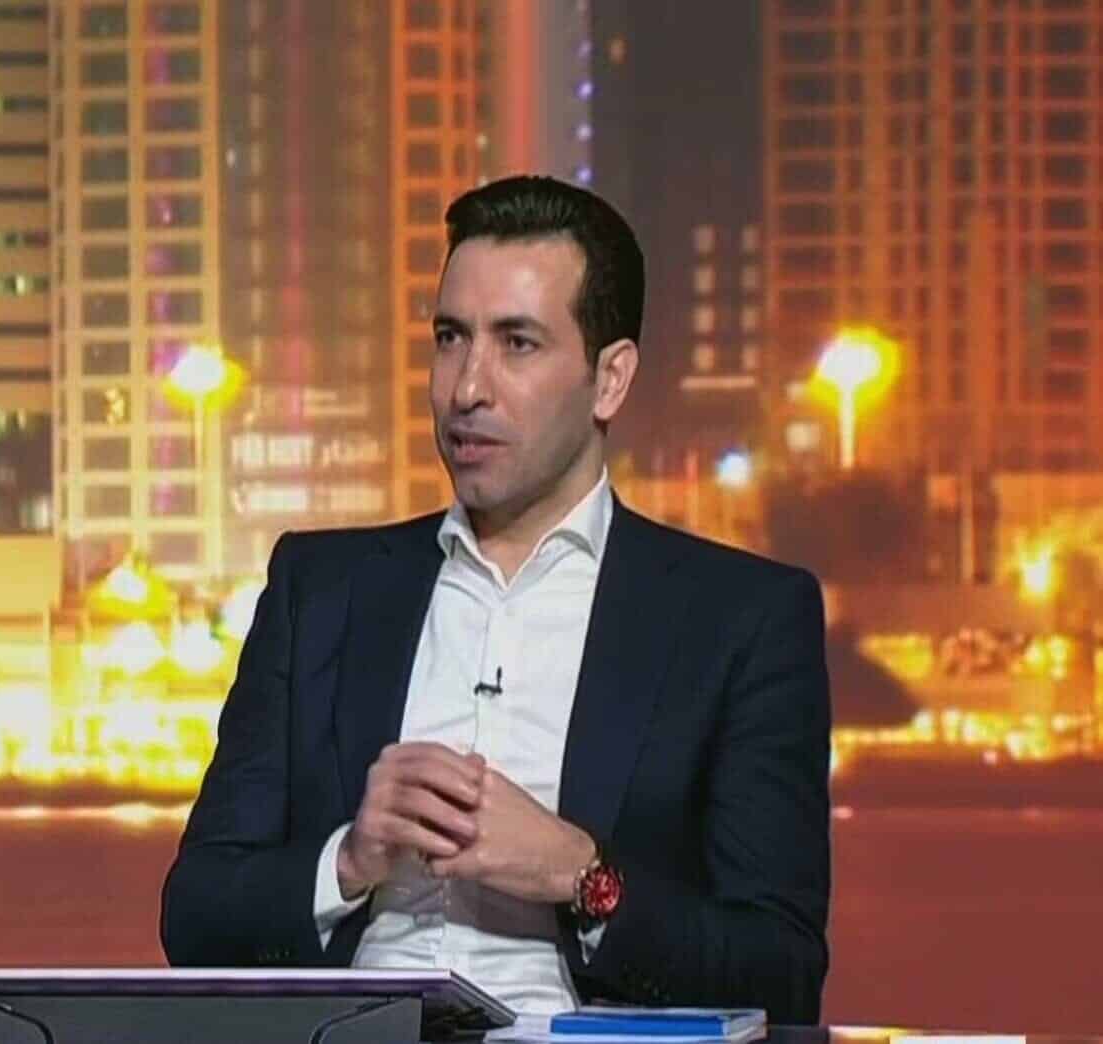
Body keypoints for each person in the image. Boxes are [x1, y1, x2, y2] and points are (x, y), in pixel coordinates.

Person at [161, 175, 831, 1024]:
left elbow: (781, 972)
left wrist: (580, 876)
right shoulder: (319, 591)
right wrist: (348, 861)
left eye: (517, 343)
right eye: (451, 338)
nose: (466, 388)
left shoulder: (741, 619)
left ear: (610, 379)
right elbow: (196, 919)